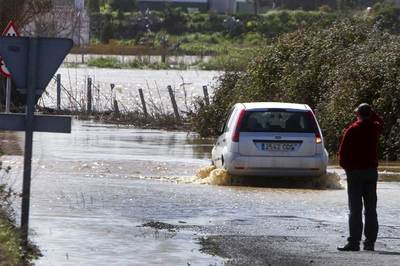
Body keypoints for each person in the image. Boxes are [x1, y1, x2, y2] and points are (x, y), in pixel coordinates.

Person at [337, 103, 384, 252]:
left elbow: (342, 154)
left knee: (355, 209)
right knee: (371, 208)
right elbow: (381, 122)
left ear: (357, 114)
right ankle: (369, 242)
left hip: (355, 173)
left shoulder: (352, 130)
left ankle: (354, 242)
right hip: (371, 172)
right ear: (370, 114)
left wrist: (348, 169)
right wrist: (372, 113)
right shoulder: (375, 128)